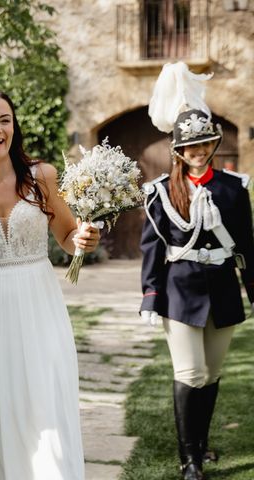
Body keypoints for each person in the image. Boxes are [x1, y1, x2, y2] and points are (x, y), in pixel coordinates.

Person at [0, 86, 100, 479]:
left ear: (14, 127)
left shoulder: (41, 176)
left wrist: (83, 240)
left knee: (46, 407)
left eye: (4, 120)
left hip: (38, 304)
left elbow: (65, 234)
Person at [140, 62, 254, 480]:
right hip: (180, 291)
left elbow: (246, 244)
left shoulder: (232, 188)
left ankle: (202, 446)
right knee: (189, 372)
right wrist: (150, 295)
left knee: (213, 373)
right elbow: (151, 248)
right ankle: (188, 459)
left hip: (223, 287)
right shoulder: (160, 191)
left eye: (204, 144)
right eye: (190, 147)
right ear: (178, 151)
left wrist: (252, 289)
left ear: (213, 143)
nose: (198, 152)